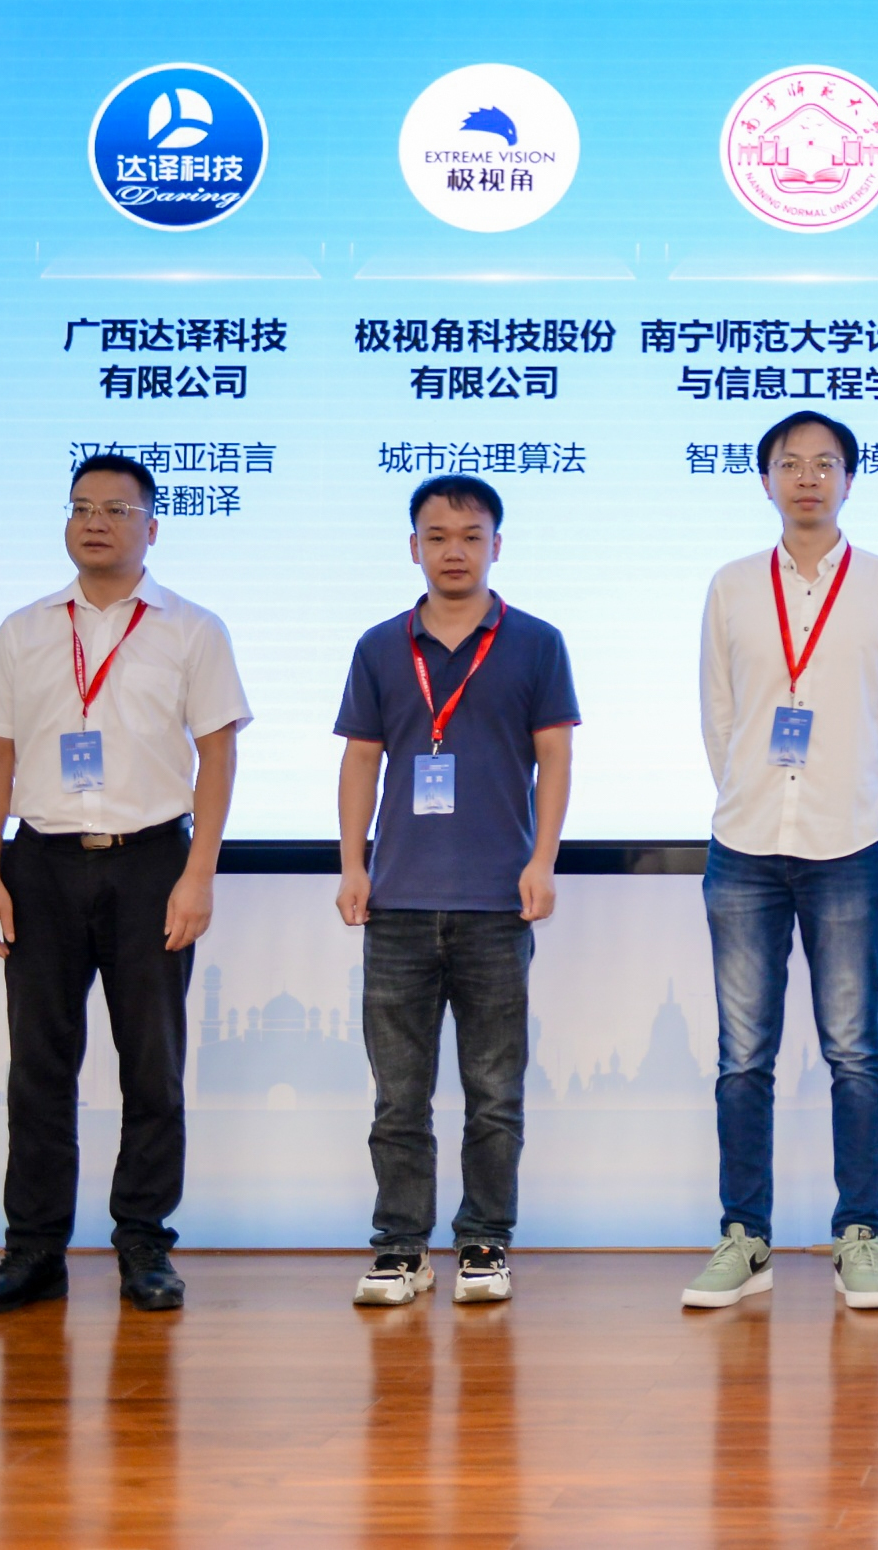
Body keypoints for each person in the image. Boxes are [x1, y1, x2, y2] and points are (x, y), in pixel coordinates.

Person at [0, 453, 250, 1315]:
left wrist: (198, 874)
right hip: (41, 863)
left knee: (152, 1067)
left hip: (152, 860)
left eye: (117, 509)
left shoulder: (193, 629)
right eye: (82, 506)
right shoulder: (24, 629)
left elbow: (218, 756)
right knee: (39, 1068)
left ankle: (143, 1244)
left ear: (152, 527)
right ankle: (33, 1249)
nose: (96, 521)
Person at [684, 411, 878, 1312]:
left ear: (850, 480)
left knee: (854, 1052)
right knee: (741, 1058)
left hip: (846, 843)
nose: (809, 478)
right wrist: (754, 788)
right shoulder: (731, 585)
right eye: (791, 463)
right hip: (745, 843)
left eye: (826, 463)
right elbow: (719, 714)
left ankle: (858, 1232)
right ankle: (744, 1238)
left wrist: (861, 798)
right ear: (766, 480)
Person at [334, 474, 578, 1308]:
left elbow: (556, 758)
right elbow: (361, 760)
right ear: (414, 546)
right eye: (437, 536)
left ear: (496, 545)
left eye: (471, 536)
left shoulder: (536, 642)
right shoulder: (379, 646)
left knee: (493, 1094)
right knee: (398, 1096)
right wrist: (354, 863)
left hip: (497, 905)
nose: (454, 551)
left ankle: (483, 1240)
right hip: (398, 903)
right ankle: (401, 1247)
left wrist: (543, 859)